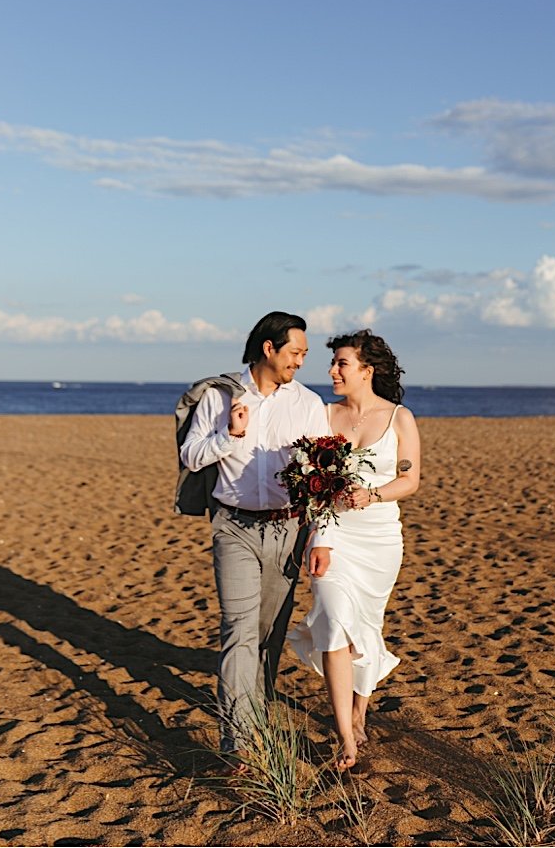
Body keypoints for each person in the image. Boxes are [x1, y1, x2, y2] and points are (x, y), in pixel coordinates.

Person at [181, 311, 329, 768]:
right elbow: (191, 455)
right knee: (239, 632)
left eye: (304, 354)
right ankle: (237, 741)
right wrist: (230, 433)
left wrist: (318, 535)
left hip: (288, 530)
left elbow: (323, 477)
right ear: (269, 348)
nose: (301, 362)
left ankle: (256, 709)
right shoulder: (221, 396)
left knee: (269, 633)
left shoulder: (307, 402)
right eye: (296, 352)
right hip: (234, 527)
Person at [288, 329, 421, 770]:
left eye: (342, 363)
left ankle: (360, 712)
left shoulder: (399, 418)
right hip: (333, 534)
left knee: (366, 626)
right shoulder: (324, 415)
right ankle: (345, 734)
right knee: (334, 622)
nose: (332, 371)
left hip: (380, 540)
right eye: (333, 363)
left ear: (368, 370)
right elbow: (308, 479)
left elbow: (410, 480)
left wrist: (375, 494)